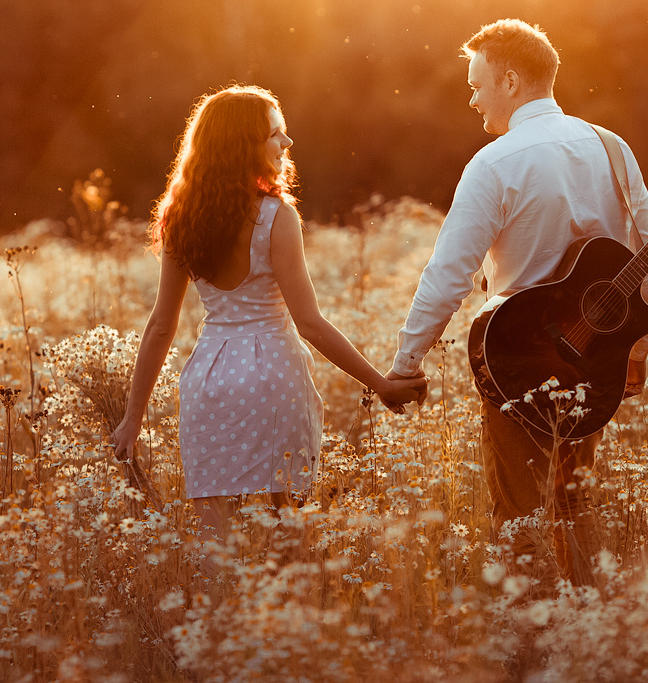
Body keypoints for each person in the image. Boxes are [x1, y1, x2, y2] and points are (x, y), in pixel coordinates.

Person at [385, 20, 648, 584]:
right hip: (596, 360)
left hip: (517, 360)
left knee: (519, 518)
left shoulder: (494, 164)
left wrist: (404, 365)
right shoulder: (612, 148)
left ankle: (532, 650)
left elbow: (448, 276)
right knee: (574, 510)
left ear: (510, 80)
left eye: (477, 83)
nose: (473, 98)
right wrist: (635, 354)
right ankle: (587, 639)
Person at [111, 85, 427, 545]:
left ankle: (217, 614)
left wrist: (132, 416)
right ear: (246, 145)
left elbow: (162, 324)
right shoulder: (277, 217)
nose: (287, 143)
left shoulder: (181, 218)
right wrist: (379, 383)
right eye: (277, 134)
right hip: (274, 375)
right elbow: (310, 322)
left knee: (213, 536)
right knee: (289, 529)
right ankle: (287, 613)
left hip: (210, 379)